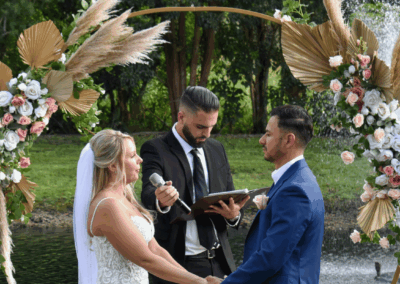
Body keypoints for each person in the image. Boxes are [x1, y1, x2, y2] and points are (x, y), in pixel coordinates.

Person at [73, 129, 220, 284]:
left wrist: (196, 280)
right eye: (132, 155)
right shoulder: (107, 206)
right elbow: (145, 259)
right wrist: (201, 283)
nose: (140, 159)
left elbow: (155, 249)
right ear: (113, 165)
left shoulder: (124, 199)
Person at [140, 86, 249, 284]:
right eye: (200, 127)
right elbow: (147, 193)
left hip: (220, 262)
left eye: (211, 127)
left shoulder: (217, 149)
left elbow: (229, 197)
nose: (207, 134)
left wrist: (233, 216)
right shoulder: (155, 148)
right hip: (178, 264)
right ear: (181, 117)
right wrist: (160, 199)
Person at [221, 105, 325, 284]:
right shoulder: (298, 178)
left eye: (268, 135)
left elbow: (271, 257)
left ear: (288, 140)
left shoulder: (295, 190)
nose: (262, 140)